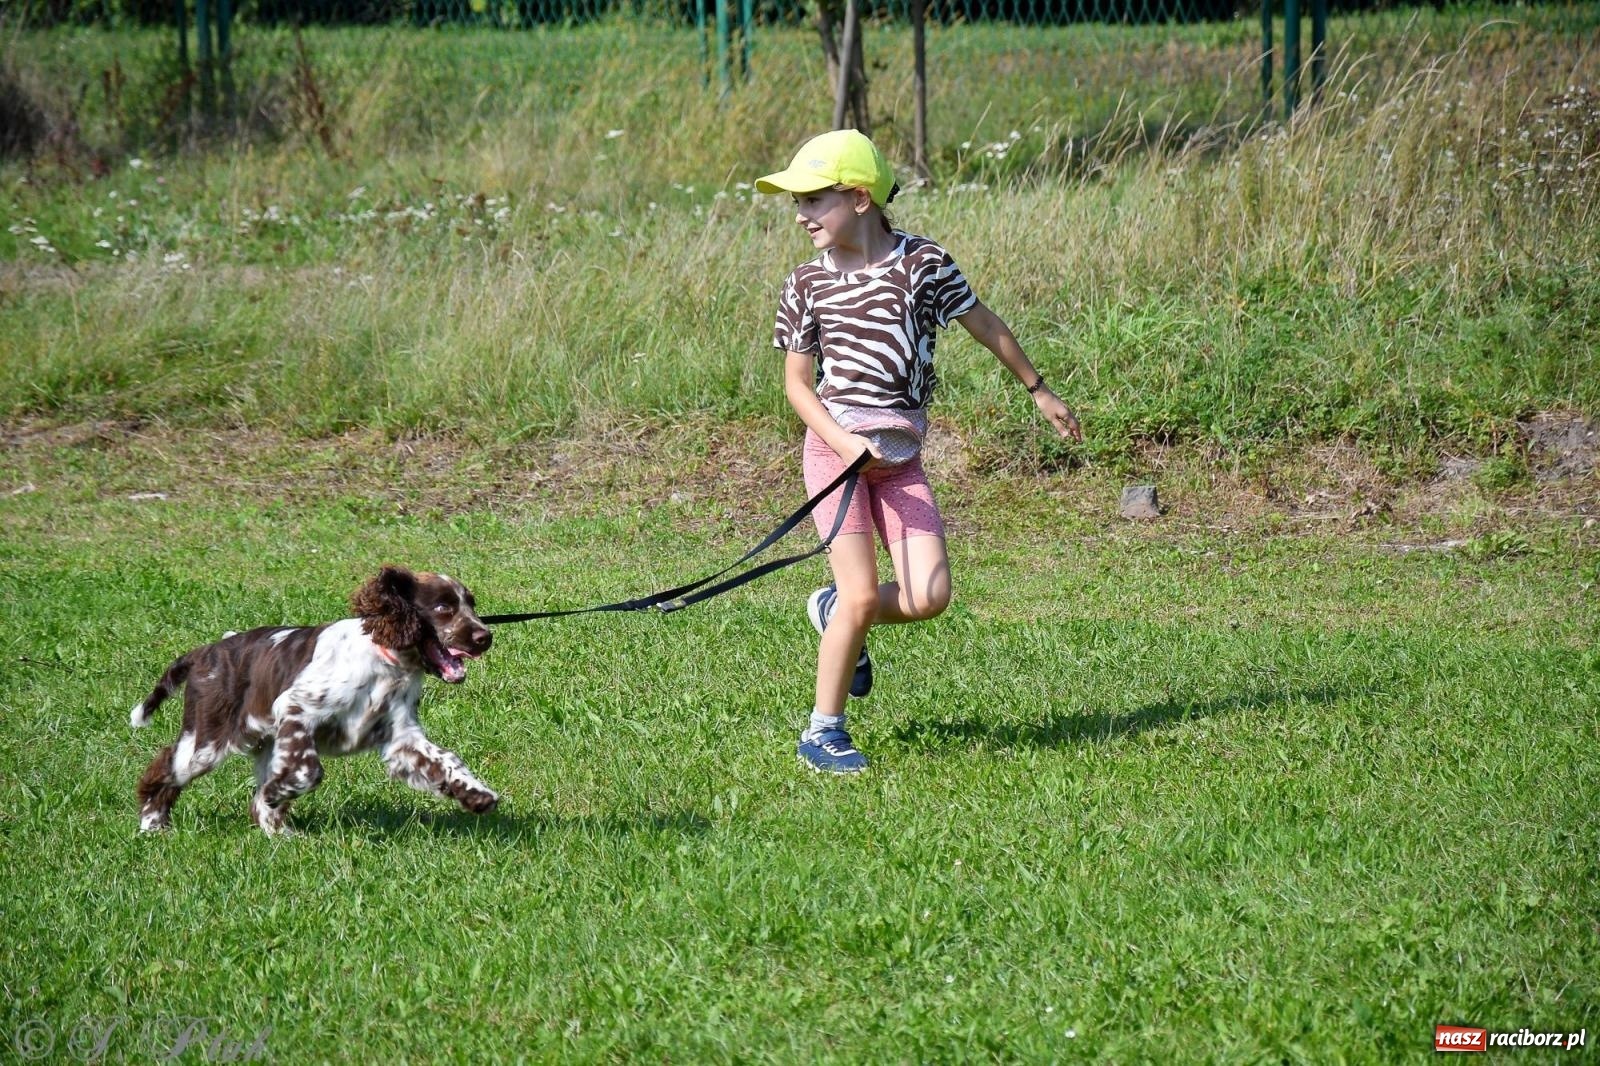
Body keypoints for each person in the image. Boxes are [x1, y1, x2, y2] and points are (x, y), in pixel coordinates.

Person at [756, 129, 1082, 774]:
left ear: (857, 198)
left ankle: (832, 611)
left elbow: (983, 322)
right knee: (858, 596)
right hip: (835, 455)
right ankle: (823, 733)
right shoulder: (805, 285)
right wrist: (844, 442)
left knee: (930, 594)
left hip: (900, 455)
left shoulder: (922, 265)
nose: (800, 215)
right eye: (796, 202)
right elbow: (797, 385)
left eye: (812, 200)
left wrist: (1039, 390)